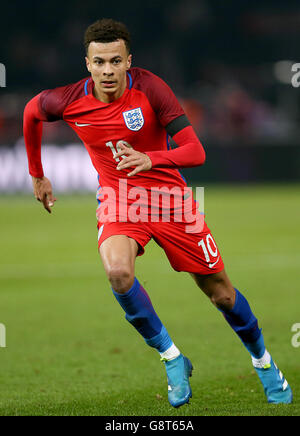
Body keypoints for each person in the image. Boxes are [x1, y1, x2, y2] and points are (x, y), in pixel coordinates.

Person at [23, 18, 292, 408]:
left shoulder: (150, 88)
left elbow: (195, 151)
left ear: (128, 60)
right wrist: (37, 175)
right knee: (117, 272)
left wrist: (152, 158)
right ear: (87, 63)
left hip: (170, 200)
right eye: (99, 62)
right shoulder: (66, 100)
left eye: (116, 61)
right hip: (119, 200)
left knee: (222, 295)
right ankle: (172, 357)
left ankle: (264, 362)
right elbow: (31, 114)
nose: (108, 70)